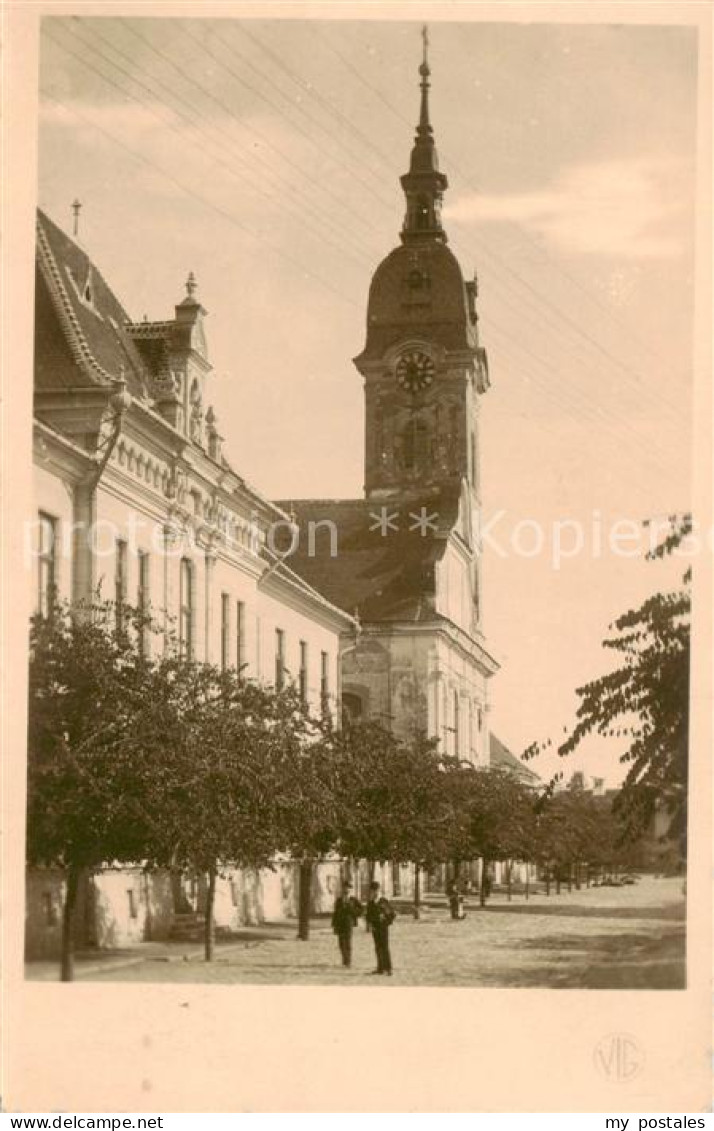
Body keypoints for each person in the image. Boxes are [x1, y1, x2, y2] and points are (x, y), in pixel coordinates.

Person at [365, 880, 396, 976]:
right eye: (372, 891)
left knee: (385, 947)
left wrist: (385, 921)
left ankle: (389, 968)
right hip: (375, 928)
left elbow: (392, 914)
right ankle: (380, 968)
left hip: (383, 928)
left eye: (376, 891)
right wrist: (370, 924)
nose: (374, 893)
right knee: (378, 948)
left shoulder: (383, 901)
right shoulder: (370, 903)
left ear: (378, 891)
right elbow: (368, 916)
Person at [331, 880, 363, 968]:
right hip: (340, 924)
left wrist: (353, 912)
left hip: (349, 923)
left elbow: (361, 910)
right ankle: (344, 960)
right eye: (344, 888)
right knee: (341, 943)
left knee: (348, 942)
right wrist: (334, 925)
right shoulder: (339, 900)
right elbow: (335, 913)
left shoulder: (353, 900)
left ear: (350, 890)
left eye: (348, 888)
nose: (346, 890)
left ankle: (348, 961)